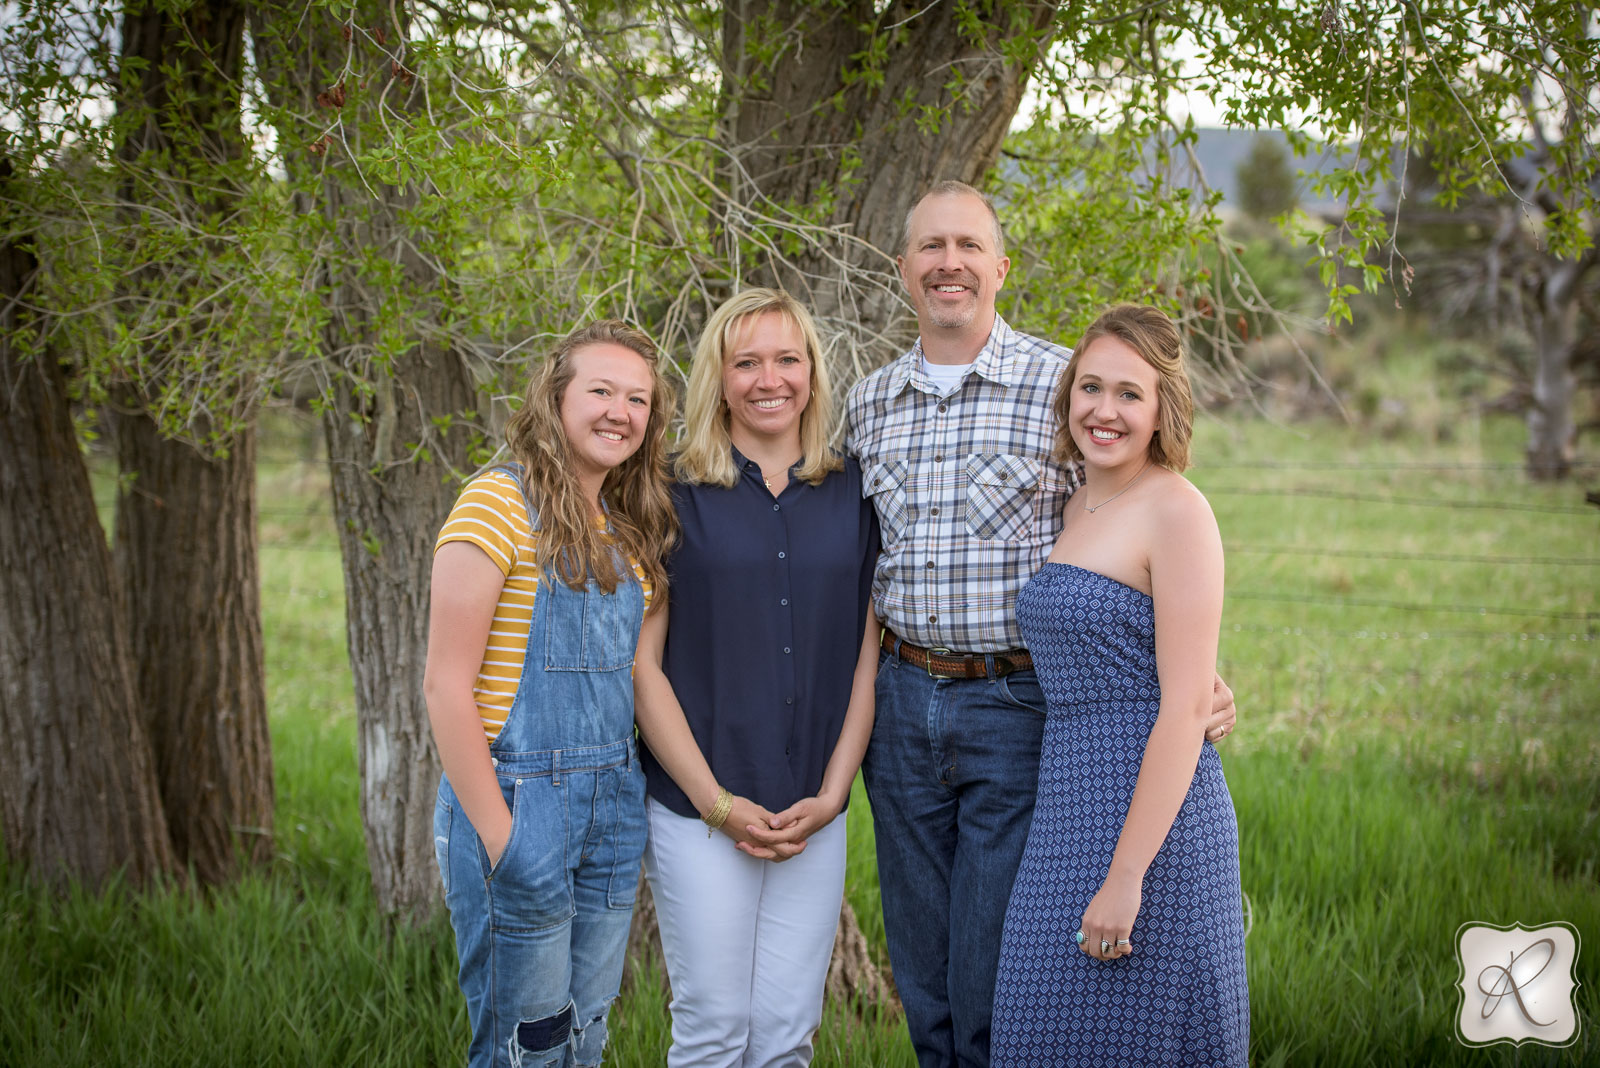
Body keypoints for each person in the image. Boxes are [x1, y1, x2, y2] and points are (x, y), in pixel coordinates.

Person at [844, 181, 1238, 1068]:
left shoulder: (1062, 385)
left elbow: (1149, 542)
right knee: (925, 971)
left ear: (1000, 267)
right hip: (901, 704)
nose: (951, 263)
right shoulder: (865, 408)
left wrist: (1200, 680)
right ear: (903, 268)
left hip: (1018, 707)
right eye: (932, 247)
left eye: (970, 247)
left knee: (1001, 975)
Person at [990, 304, 1248, 1064]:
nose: (1105, 410)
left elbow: (1181, 709)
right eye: (1090, 388)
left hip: (1155, 823)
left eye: (1129, 394)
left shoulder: (1177, 510)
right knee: (1039, 1030)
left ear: (1163, 407)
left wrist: (1128, 875)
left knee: (1146, 1040)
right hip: (1067, 807)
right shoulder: (1075, 503)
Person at [633, 288, 881, 1068]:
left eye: (786, 359)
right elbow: (643, 665)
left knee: (786, 1036)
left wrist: (835, 793)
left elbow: (869, 651)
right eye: (746, 362)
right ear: (719, 375)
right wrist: (717, 805)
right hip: (699, 809)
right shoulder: (670, 491)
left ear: (812, 370)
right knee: (712, 1031)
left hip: (814, 806)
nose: (768, 379)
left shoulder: (854, 488)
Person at [423, 321, 677, 1068]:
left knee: (584, 1038)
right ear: (556, 396)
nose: (618, 411)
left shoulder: (628, 533)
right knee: (523, 1049)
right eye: (600, 390)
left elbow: (638, 677)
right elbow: (445, 685)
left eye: (637, 399)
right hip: (519, 804)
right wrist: (504, 840)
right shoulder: (495, 503)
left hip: (610, 815)